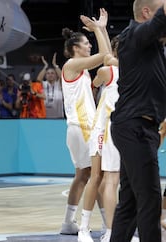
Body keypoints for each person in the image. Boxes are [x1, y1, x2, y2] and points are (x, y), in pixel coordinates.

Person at [110, 0, 166, 241]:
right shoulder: (133, 34)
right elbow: (160, 21)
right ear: (147, 13)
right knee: (150, 197)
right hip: (134, 128)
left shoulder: (150, 48)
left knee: (131, 200)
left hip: (139, 127)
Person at [59, 9, 109, 237]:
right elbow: (105, 56)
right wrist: (99, 29)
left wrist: (101, 29)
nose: (89, 45)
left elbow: (106, 57)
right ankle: (106, 224)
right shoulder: (71, 65)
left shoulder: (79, 68)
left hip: (83, 128)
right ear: (75, 48)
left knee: (86, 176)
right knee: (93, 175)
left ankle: (71, 222)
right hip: (81, 129)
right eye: (86, 43)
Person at [94, 37, 120, 242]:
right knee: (112, 181)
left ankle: (111, 231)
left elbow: (105, 58)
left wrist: (99, 29)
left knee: (109, 180)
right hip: (132, 126)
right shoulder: (138, 68)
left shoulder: (109, 70)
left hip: (112, 126)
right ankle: (112, 229)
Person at [37, 54, 65, 119]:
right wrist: (45, 67)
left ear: (56, 75)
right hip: (45, 117)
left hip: (59, 117)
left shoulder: (58, 84)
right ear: (45, 75)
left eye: (52, 73)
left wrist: (55, 65)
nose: (50, 75)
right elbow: (38, 80)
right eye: (48, 73)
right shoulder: (44, 84)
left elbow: (62, 77)